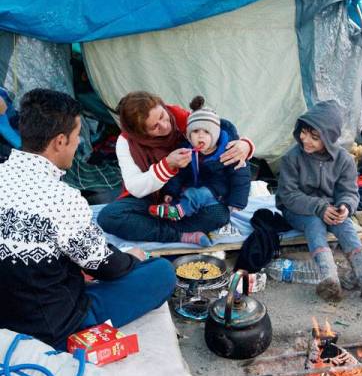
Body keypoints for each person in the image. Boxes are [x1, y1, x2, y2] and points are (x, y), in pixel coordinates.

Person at [0, 88, 176, 349]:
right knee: (161, 272)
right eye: (75, 137)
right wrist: (131, 259)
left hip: (8, 311)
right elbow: (106, 267)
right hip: (54, 328)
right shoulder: (63, 198)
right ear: (60, 141)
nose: (79, 143)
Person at [276, 100, 362, 301]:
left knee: (345, 224)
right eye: (304, 132)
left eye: (314, 137)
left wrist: (345, 206)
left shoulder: (344, 160)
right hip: (298, 209)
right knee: (314, 222)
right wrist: (319, 207)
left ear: (328, 138)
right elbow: (288, 195)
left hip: (330, 208)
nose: (305, 139)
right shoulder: (292, 158)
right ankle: (329, 279)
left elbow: (350, 192)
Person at [97, 91, 254, 244]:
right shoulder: (126, 142)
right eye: (154, 127)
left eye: (162, 116)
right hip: (153, 198)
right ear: (141, 133)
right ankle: (181, 234)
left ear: (163, 106)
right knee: (109, 217)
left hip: (193, 195)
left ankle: (159, 226)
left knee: (219, 215)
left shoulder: (179, 117)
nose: (165, 126)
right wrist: (167, 165)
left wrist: (245, 144)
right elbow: (135, 188)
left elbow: (215, 125)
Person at [148, 97, 250, 234]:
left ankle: (177, 213)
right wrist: (170, 192)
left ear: (215, 135)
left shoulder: (230, 151)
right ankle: (171, 213)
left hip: (218, 193)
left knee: (198, 195)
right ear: (189, 135)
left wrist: (237, 202)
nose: (200, 136)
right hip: (194, 190)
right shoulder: (187, 150)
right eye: (195, 132)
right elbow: (179, 173)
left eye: (206, 132)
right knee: (188, 194)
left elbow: (241, 175)